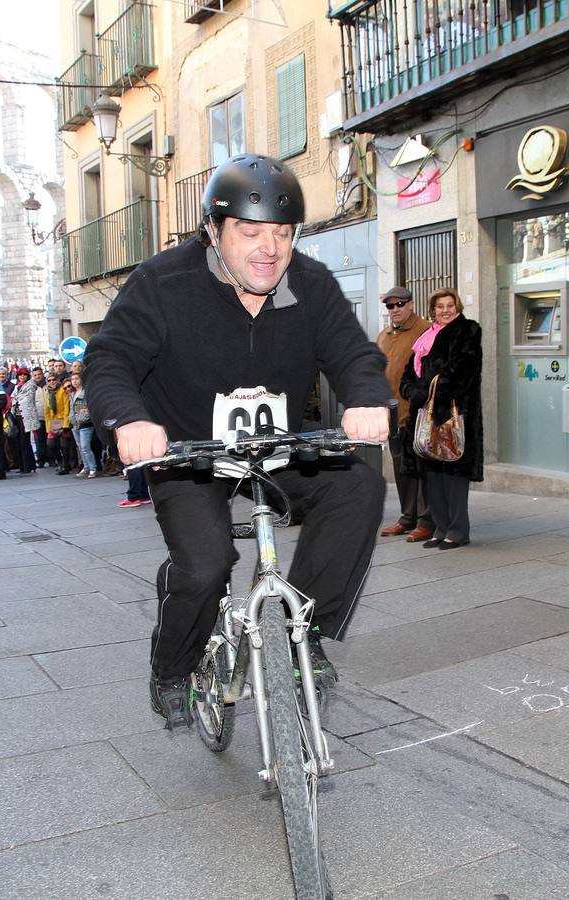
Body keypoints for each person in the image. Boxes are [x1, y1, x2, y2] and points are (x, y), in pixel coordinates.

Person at [84, 153, 389, 729]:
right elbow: (111, 359)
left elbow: (353, 354)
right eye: (250, 232)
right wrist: (128, 420)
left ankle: (308, 631)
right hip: (188, 454)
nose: (269, 249)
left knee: (359, 481)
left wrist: (367, 399)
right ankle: (171, 668)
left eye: (282, 233)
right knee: (205, 566)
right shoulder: (161, 285)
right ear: (214, 232)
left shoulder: (311, 283)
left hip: (277, 447)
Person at [399, 287, 483, 550]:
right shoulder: (426, 336)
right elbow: (407, 375)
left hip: (454, 414)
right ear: (432, 309)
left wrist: (426, 392)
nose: (445, 310)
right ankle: (441, 526)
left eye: (449, 305)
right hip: (425, 416)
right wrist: (412, 392)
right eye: (439, 306)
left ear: (457, 306)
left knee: (454, 474)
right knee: (432, 475)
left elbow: (462, 372)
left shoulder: (468, 330)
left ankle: (458, 531)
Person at [376, 285, 434, 543]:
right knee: (401, 468)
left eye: (400, 304)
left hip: (418, 412)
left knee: (422, 467)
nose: (395, 310)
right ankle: (407, 517)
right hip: (392, 412)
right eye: (390, 306)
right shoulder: (384, 335)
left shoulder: (425, 330)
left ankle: (426, 520)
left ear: (411, 304)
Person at [44, 372, 74, 475]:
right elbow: (47, 411)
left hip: (63, 420)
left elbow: (67, 408)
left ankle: (65, 466)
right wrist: (48, 427)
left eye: (54, 379)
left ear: (57, 380)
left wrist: (66, 424)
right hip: (53, 421)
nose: (52, 382)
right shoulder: (48, 392)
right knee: (50, 444)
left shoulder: (63, 391)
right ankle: (61, 463)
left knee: (64, 444)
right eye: (49, 380)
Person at [9, 367, 38, 475]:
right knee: (19, 442)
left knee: (25, 442)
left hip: (25, 416)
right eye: (20, 375)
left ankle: (28, 466)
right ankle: (22, 465)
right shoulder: (17, 386)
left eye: (24, 375)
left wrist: (16, 398)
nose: (22, 376)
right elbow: (13, 398)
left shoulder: (30, 385)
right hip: (17, 416)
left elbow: (27, 399)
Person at [68, 371, 97, 478]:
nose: (74, 381)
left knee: (85, 446)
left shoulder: (86, 392)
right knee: (80, 447)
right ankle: (86, 466)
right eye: (72, 379)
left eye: (76, 379)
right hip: (75, 423)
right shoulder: (72, 394)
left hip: (85, 423)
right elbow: (71, 409)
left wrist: (85, 415)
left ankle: (93, 468)